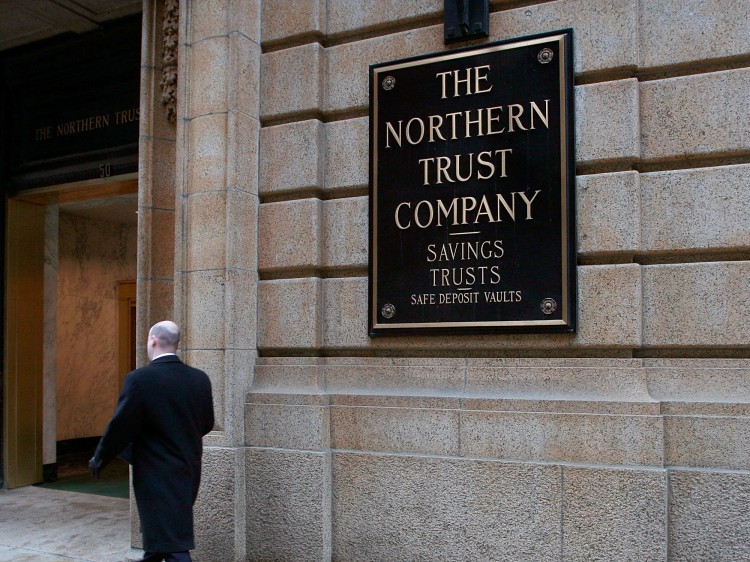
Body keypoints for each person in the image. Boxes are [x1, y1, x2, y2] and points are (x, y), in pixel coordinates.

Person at [89, 320, 214, 562]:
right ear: (177, 344)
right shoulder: (199, 379)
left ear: (153, 340)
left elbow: (120, 427)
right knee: (161, 538)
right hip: (188, 469)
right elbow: (207, 423)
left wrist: (100, 457)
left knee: (173, 544)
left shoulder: (139, 380)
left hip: (154, 474)